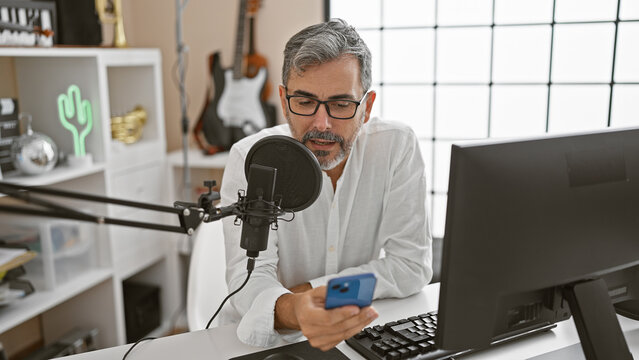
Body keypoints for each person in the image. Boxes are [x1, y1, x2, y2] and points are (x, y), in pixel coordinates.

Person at [219, 18, 433, 351]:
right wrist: (296, 310)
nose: (322, 124)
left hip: (356, 330)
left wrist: (314, 292)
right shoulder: (252, 157)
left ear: (368, 105)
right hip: (262, 343)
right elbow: (248, 280)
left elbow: (410, 266)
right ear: (283, 98)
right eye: (304, 103)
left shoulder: (396, 146)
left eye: (341, 104)